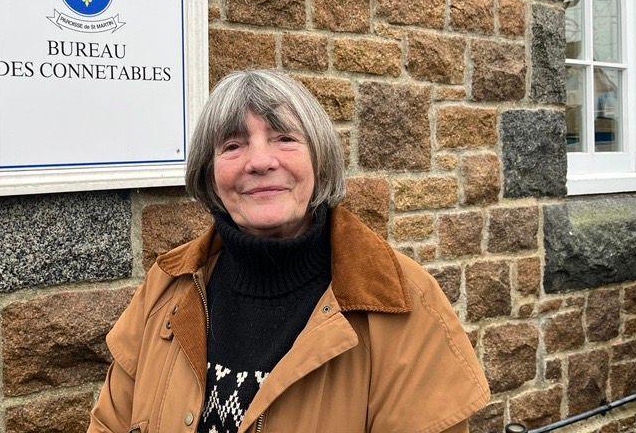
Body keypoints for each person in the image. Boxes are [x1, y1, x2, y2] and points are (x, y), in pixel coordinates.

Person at [89, 70, 490, 433]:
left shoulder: (403, 306)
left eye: (284, 138)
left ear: (320, 159)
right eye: (232, 145)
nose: (260, 161)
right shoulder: (167, 286)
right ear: (209, 174)